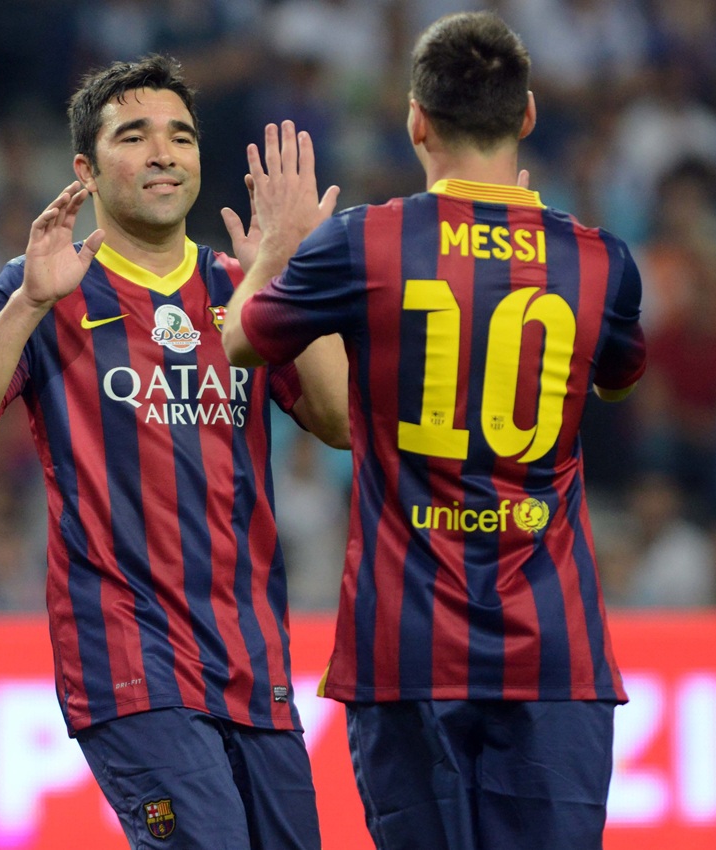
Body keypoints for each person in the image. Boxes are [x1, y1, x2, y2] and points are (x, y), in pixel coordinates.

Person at [222, 12, 646, 850]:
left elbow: (237, 342)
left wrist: (275, 252)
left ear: (416, 120)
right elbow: (616, 381)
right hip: (552, 652)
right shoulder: (600, 261)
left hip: (403, 650)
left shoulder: (363, 243)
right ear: (527, 114)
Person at [0, 55, 346, 850]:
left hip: (254, 662)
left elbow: (342, 421)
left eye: (180, 137)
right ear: (84, 170)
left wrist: (288, 275)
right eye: (134, 136)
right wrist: (28, 304)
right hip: (129, 663)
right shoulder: (47, 285)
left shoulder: (239, 286)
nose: (162, 153)